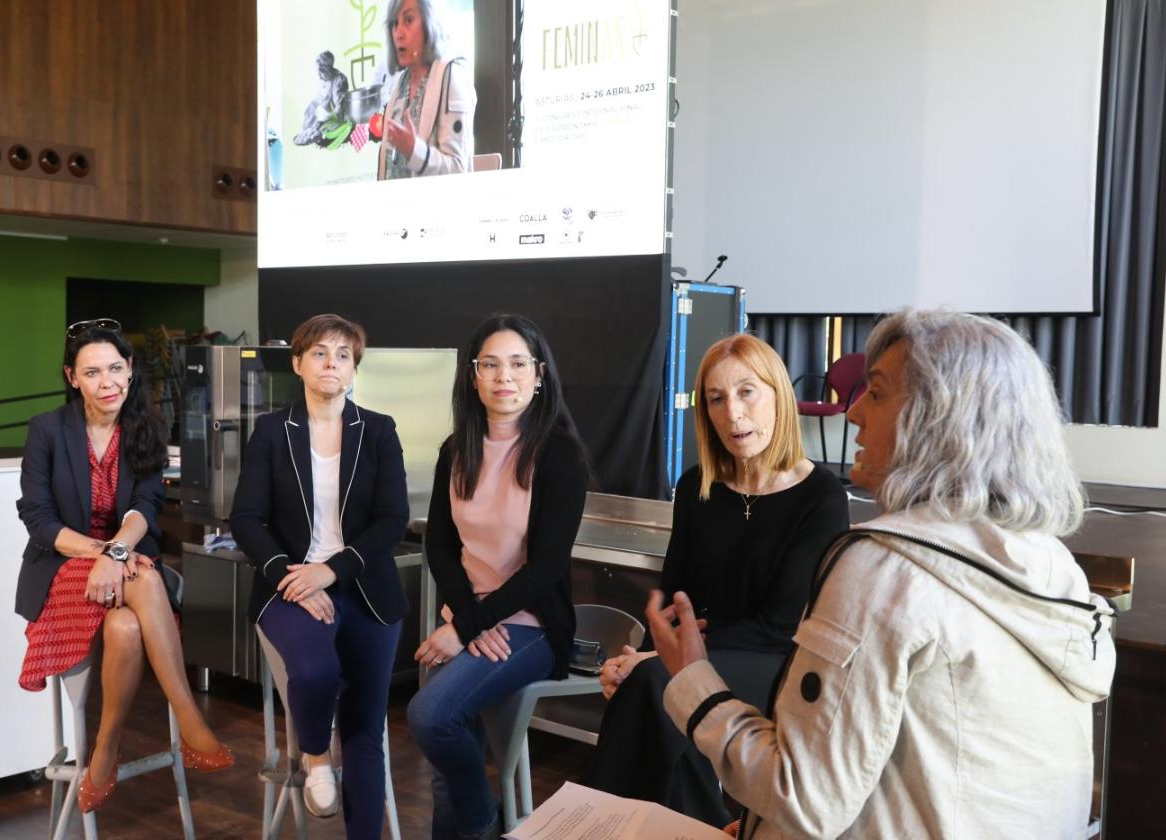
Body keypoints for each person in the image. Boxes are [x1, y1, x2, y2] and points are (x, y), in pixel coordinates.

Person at [651, 310, 1117, 839]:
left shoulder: (883, 574)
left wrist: (694, 684)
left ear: (936, 417)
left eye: (874, 393)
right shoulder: (1056, 568)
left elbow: (804, 799)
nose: (851, 415)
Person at [584, 334, 848, 826]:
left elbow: (779, 625)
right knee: (657, 699)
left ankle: (598, 824)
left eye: (747, 392)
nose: (733, 414)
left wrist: (660, 660)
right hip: (692, 659)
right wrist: (644, 653)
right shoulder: (696, 485)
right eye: (716, 399)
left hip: (779, 662)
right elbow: (674, 597)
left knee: (657, 685)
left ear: (777, 396)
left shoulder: (821, 496)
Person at [16, 319, 233, 815]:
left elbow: (145, 503)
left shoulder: (146, 426)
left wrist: (117, 554)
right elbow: (39, 519)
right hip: (63, 567)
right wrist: (107, 556)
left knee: (126, 626)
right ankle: (188, 713)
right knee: (145, 574)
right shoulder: (48, 429)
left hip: (125, 561)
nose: (108, 381)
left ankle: (106, 747)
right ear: (72, 377)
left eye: (116, 368)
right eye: (93, 372)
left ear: (131, 369)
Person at [407, 314, 589, 840]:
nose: (503, 376)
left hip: (531, 627)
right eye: (490, 364)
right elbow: (440, 544)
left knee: (430, 717)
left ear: (539, 375)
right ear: (473, 376)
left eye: (517, 364)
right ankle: (476, 825)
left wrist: (466, 628)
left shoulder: (559, 455)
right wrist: (468, 619)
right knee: (445, 763)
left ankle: (488, 822)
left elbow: (547, 568)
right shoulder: (455, 449)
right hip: (470, 617)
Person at [229, 314, 408, 837]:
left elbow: (391, 520)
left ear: (354, 369)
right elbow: (246, 518)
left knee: (365, 729)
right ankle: (314, 755)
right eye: (320, 353)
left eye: (343, 355)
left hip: (366, 589)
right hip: (288, 587)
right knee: (314, 673)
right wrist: (292, 576)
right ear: (298, 363)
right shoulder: (270, 430)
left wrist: (330, 572)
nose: (332, 363)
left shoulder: (378, 430)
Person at [377, 0, 476, 180]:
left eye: (408, 20)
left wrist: (414, 151)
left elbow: (458, 169)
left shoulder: (452, 75)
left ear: (431, 21)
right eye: (394, 23)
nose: (398, 33)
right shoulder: (401, 83)